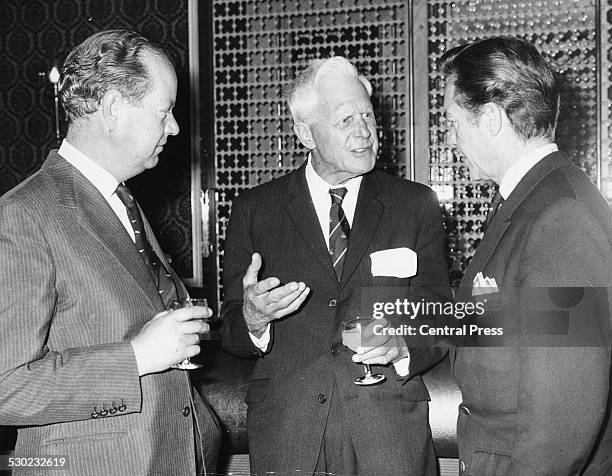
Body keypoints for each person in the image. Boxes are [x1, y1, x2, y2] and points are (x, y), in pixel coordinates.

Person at [0, 30, 221, 475]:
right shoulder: (24, 214)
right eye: (165, 111)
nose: (175, 127)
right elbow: (7, 387)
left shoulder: (122, 202)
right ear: (114, 108)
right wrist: (137, 357)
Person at [220, 56, 450, 475]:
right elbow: (232, 331)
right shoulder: (256, 210)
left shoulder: (415, 205)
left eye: (368, 116)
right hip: (289, 438)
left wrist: (404, 347)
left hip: (389, 438)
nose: (364, 132)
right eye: (346, 120)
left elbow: (441, 316)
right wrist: (252, 319)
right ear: (305, 132)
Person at [440, 36, 612, 474]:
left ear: (492, 118)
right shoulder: (534, 201)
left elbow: (563, 417)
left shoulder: (562, 218)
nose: (451, 138)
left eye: (453, 121)